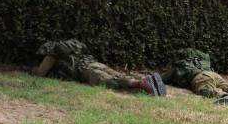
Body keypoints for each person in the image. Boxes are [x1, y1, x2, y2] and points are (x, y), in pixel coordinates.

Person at [32, 39, 166, 96]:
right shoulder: (73, 46)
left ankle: (140, 84)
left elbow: (40, 73)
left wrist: (31, 70)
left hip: (85, 70)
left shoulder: (52, 54)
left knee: (109, 82)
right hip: (94, 63)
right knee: (116, 74)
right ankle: (144, 79)